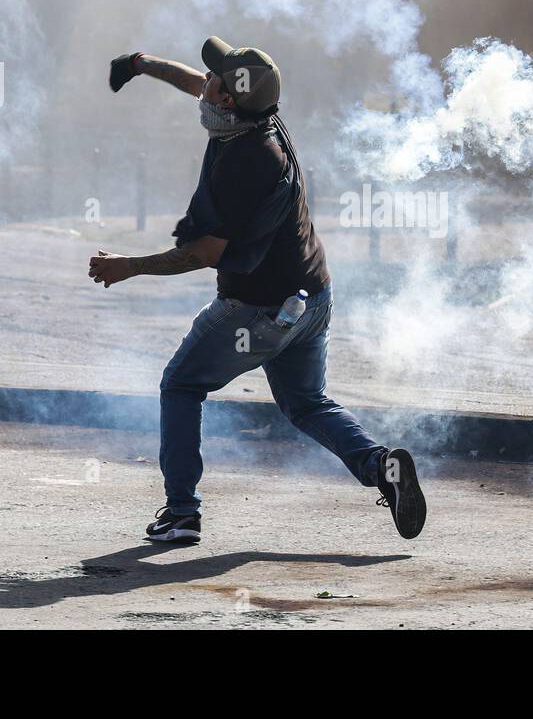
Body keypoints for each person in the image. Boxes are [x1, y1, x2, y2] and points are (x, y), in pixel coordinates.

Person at [88, 37, 426, 544]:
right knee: (308, 404)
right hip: (312, 298)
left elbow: (204, 253)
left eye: (214, 79)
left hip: (258, 310)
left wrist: (129, 267)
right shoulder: (256, 114)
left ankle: (181, 513)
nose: (204, 82)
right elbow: (197, 87)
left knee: (181, 386)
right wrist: (142, 64)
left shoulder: (243, 163)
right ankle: (381, 467)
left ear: (227, 100)